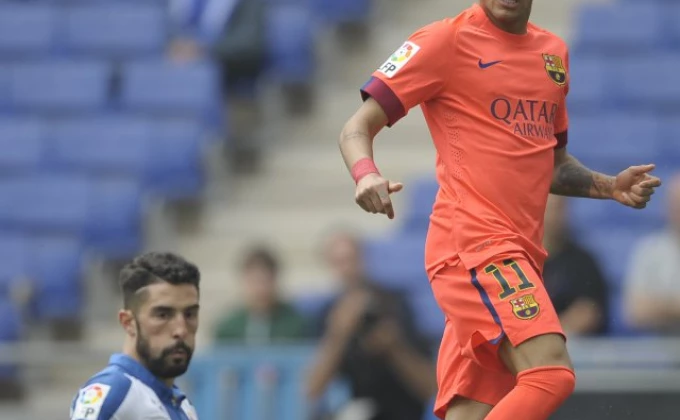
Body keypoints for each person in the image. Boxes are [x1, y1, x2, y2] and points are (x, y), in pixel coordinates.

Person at [338, 1, 662, 419]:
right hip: (473, 248)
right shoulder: (443, 41)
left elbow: (553, 165)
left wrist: (609, 187)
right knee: (550, 373)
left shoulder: (553, 54)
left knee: (472, 411)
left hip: (520, 255)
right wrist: (366, 174)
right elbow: (355, 127)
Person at [307, 230, 436, 420]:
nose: (347, 269)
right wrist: (339, 334)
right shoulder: (331, 313)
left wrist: (394, 347)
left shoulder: (395, 304)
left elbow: (431, 388)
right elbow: (312, 389)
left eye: (351, 259)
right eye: (339, 262)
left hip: (403, 411)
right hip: (360, 410)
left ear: (364, 258)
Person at [69, 252, 201, 420]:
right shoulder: (113, 394)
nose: (181, 330)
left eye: (189, 314)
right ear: (128, 322)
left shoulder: (182, 405)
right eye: (163, 315)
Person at [213, 246, 309, 344]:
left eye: (265, 281)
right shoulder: (229, 328)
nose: (260, 289)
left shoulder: (296, 325)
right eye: (254, 282)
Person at [542, 195, 608, 336]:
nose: (553, 216)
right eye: (548, 208)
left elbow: (589, 312)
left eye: (559, 208)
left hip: (573, 343)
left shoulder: (583, 262)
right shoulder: (519, 261)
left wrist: (549, 337)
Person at [625, 172, 680, 334]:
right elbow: (636, 312)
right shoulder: (649, 251)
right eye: (676, 204)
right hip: (659, 346)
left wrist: (661, 306)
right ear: (667, 207)